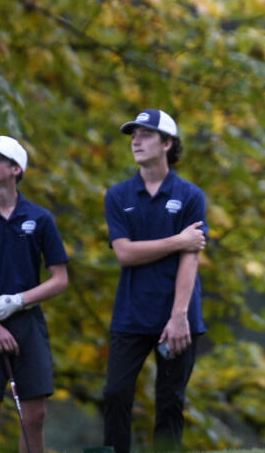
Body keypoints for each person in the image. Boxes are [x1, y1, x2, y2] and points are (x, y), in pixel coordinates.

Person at [102, 109, 208, 452]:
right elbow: (125, 254)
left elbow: (190, 259)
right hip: (131, 314)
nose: (136, 141)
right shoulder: (117, 196)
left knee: (170, 401)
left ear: (167, 143)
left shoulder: (191, 195)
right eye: (133, 134)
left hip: (178, 316)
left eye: (145, 134)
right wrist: (177, 241)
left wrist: (179, 316)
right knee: (115, 394)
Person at [0, 135, 69, 453]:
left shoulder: (39, 218)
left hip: (27, 323)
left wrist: (20, 300)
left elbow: (59, 279)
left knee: (34, 415)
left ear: (16, 169)